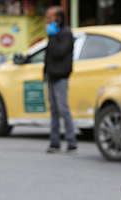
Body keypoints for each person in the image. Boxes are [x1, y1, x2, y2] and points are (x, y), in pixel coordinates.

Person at [44, 6, 77, 154]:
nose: (47, 21)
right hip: (51, 75)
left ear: (59, 19)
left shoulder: (64, 33)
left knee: (64, 109)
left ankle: (71, 142)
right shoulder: (55, 34)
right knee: (54, 111)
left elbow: (58, 53)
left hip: (61, 76)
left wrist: (52, 36)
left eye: (50, 18)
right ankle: (54, 142)